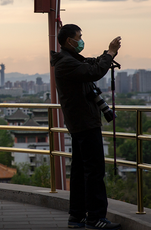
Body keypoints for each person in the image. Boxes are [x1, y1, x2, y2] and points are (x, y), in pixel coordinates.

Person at [50, 24, 122, 230]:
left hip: (81, 122)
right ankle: (96, 217)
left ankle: (77, 216)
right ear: (69, 41)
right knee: (94, 171)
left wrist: (106, 55)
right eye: (79, 37)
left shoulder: (69, 60)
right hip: (84, 123)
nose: (81, 40)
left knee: (82, 171)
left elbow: (92, 64)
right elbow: (95, 71)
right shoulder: (66, 63)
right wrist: (110, 52)